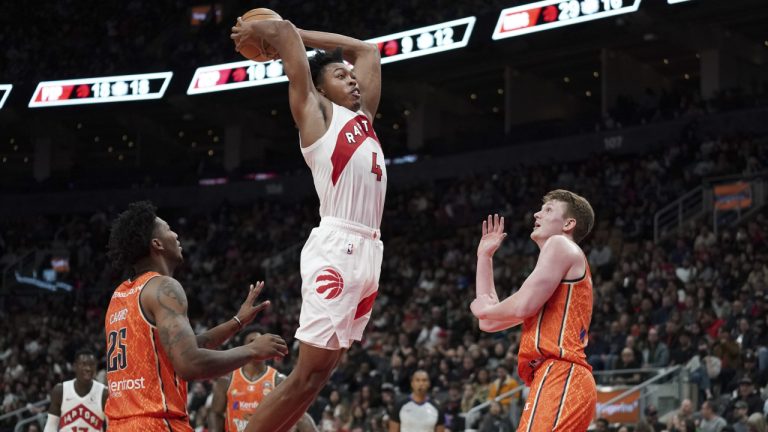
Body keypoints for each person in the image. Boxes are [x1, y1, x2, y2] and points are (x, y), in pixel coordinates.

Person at [230, 13, 385, 432]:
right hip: (339, 245)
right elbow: (279, 31)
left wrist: (298, 36)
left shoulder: (364, 117)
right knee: (306, 374)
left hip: (370, 248)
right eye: (340, 75)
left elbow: (366, 50)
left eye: (352, 77)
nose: (353, 80)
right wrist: (277, 33)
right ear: (319, 87)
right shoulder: (315, 113)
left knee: (318, 377)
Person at [104, 201, 288, 431]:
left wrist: (236, 323)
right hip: (156, 423)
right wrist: (252, 350)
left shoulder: (120, 295)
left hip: (119, 425)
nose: (176, 234)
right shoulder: (163, 287)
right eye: (169, 229)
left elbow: (182, 349)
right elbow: (190, 364)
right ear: (157, 244)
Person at [469, 190, 597, 431]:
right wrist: (484, 258)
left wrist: (483, 310)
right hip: (557, 377)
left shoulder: (561, 244)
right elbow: (490, 322)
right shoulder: (551, 278)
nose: (537, 213)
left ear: (569, 224)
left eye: (548, 210)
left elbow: (518, 306)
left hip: (562, 372)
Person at [208, 329, 318, 432]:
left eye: (261, 341)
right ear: (244, 347)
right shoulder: (226, 380)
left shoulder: (278, 380)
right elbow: (215, 413)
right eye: (253, 341)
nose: (258, 344)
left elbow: (299, 416)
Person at [45, 349, 107, 432]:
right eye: (83, 364)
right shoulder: (60, 391)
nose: (88, 368)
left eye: (92, 365)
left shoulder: (104, 393)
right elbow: (50, 427)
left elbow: (112, 426)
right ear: (74, 366)